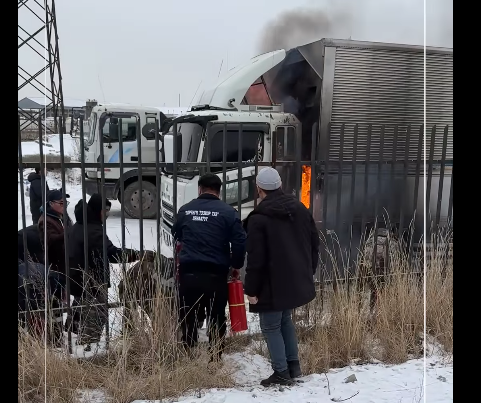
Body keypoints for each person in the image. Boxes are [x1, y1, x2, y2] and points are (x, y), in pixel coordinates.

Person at [243, 167, 320, 386]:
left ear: (259, 188)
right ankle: (293, 366)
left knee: (270, 326)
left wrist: (252, 290)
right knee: (285, 320)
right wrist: (308, 271)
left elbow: (256, 260)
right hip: (294, 279)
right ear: (279, 185)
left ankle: (281, 372)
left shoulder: (258, 219)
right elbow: (314, 243)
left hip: (271, 284)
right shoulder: (300, 208)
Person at [172, 173, 246, 361]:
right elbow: (239, 242)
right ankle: (215, 356)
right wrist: (236, 265)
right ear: (219, 191)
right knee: (216, 314)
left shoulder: (185, 210)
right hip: (216, 273)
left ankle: (189, 352)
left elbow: (176, 232)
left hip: (189, 271)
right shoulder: (228, 212)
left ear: (199, 188)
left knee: (188, 313)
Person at [68, 194, 154, 351]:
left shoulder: (81, 225)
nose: (107, 214)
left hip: (79, 279)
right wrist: (138, 254)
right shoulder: (93, 230)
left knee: (83, 311)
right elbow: (112, 254)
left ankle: (77, 339)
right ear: (96, 210)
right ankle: (88, 351)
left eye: (108, 210)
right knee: (97, 315)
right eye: (105, 210)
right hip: (91, 282)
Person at [37, 188, 73, 347]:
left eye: (66, 202)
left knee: (64, 299)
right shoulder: (45, 220)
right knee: (55, 302)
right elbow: (50, 241)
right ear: (51, 204)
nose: (64, 205)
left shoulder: (61, 216)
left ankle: (64, 331)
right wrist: (69, 233)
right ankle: (55, 336)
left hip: (65, 264)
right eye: (61, 203)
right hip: (54, 266)